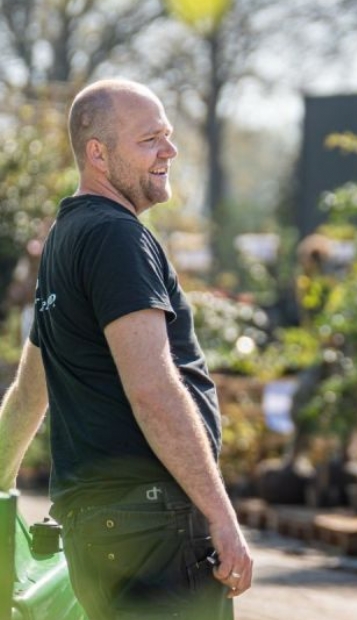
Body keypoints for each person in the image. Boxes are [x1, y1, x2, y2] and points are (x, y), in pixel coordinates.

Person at [0, 79, 252, 619]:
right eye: (149, 139)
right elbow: (154, 389)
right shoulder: (117, 237)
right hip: (153, 529)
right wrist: (222, 517)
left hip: (104, 531)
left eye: (168, 135)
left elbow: (28, 394)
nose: (170, 150)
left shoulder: (66, 240)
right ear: (98, 153)